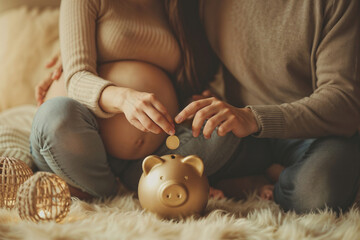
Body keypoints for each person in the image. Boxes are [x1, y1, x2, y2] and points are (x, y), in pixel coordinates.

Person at [31, 0, 246, 200]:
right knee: (54, 116)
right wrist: (124, 98)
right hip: (79, 145)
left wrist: (200, 101)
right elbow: (77, 77)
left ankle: (140, 183)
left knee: (227, 128)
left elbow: (197, 77)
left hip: (153, 153)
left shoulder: (179, 7)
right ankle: (109, 188)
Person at [168, 0, 360, 213]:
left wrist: (254, 118)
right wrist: (204, 97)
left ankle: (261, 179)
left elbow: (343, 101)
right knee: (165, 167)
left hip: (311, 130)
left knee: (315, 192)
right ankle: (264, 176)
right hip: (240, 130)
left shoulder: (340, 5)